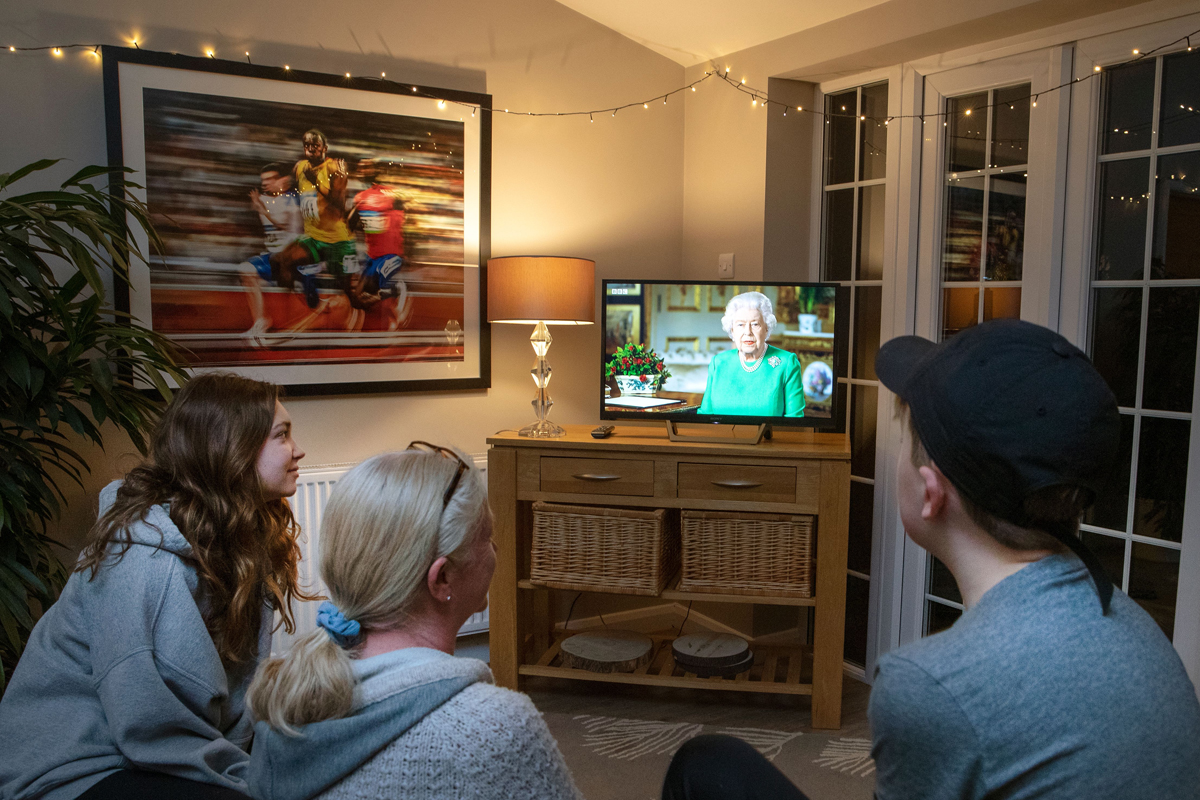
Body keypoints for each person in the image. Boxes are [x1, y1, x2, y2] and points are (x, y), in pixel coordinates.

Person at [661, 318, 1200, 800]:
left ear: (929, 493)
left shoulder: (932, 685)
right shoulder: (1138, 626)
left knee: (702, 767)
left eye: (904, 439)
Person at [0, 373, 310, 800]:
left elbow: (226, 705)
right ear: (230, 448)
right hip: (71, 766)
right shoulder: (144, 561)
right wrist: (250, 780)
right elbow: (150, 727)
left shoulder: (236, 539)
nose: (298, 450)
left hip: (147, 752)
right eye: (282, 435)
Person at [245, 445, 582, 800]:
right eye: (485, 537)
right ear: (442, 579)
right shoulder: (494, 728)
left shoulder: (284, 711)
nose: (495, 549)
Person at [697, 291, 804, 417]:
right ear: (732, 330)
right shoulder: (718, 363)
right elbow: (705, 416)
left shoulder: (787, 363)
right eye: (740, 324)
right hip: (722, 436)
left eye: (755, 324)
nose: (748, 332)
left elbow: (794, 422)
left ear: (766, 328)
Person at [239, 162, 309, 345]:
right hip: (273, 255)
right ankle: (260, 322)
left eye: (270, 179)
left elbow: (282, 223)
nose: (265, 183)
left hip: (291, 256)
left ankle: (267, 323)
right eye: (263, 180)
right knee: (246, 272)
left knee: (248, 271)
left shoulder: (291, 199)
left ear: (283, 180)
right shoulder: (263, 198)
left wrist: (262, 209)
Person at [347, 158, 411, 331]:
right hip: (372, 255)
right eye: (360, 168)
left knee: (381, 293)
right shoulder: (359, 198)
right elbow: (350, 225)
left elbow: (403, 216)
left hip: (391, 253)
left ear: (376, 170)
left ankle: (395, 312)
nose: (363, 171)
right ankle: (392, 293)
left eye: (367, 167)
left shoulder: (391, 193)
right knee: (357, 298)